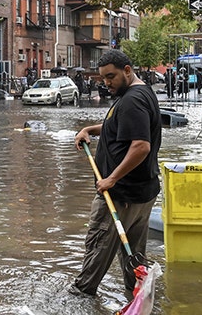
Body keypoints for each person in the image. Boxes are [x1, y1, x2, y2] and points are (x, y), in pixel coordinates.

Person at [69, 49, 161, 299]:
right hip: (141, 191)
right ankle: (138, 298)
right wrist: (90, 129)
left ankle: (80, 298)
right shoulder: (140, 93)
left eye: (111, 77)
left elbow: (141, 146)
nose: (106, 83)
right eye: (103, 78)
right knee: (134, 256)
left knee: (97, 248)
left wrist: (112, 179)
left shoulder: (132, 99)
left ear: (127, 71)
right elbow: (118, 126)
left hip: (120, 195)